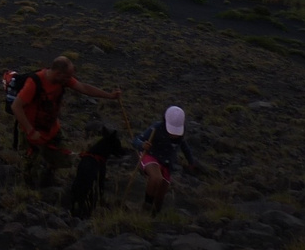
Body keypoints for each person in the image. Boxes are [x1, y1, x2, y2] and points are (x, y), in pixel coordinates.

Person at [12, 56, 121, 187]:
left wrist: (109, 96)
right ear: (58, 73)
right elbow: (16, 106)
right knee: (30, 164)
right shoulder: (35, 82)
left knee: (59, 158)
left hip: (52, 129)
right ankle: (29, 190)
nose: (70, 79)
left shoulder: (63, 80)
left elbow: (84, 88)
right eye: (68, 76)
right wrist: (30, 130)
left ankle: (48, 178)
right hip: (33, 132)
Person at [134, 106, 198, 215]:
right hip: (151, 156)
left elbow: (184, 146)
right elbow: (136, 140)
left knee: (161, 192)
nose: (173, 135)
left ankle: (154, 214)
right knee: (156, 178)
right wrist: (142, 145)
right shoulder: (156, 128)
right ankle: (146, 206)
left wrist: (191, 161)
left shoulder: (182, 133)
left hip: (167, 163)